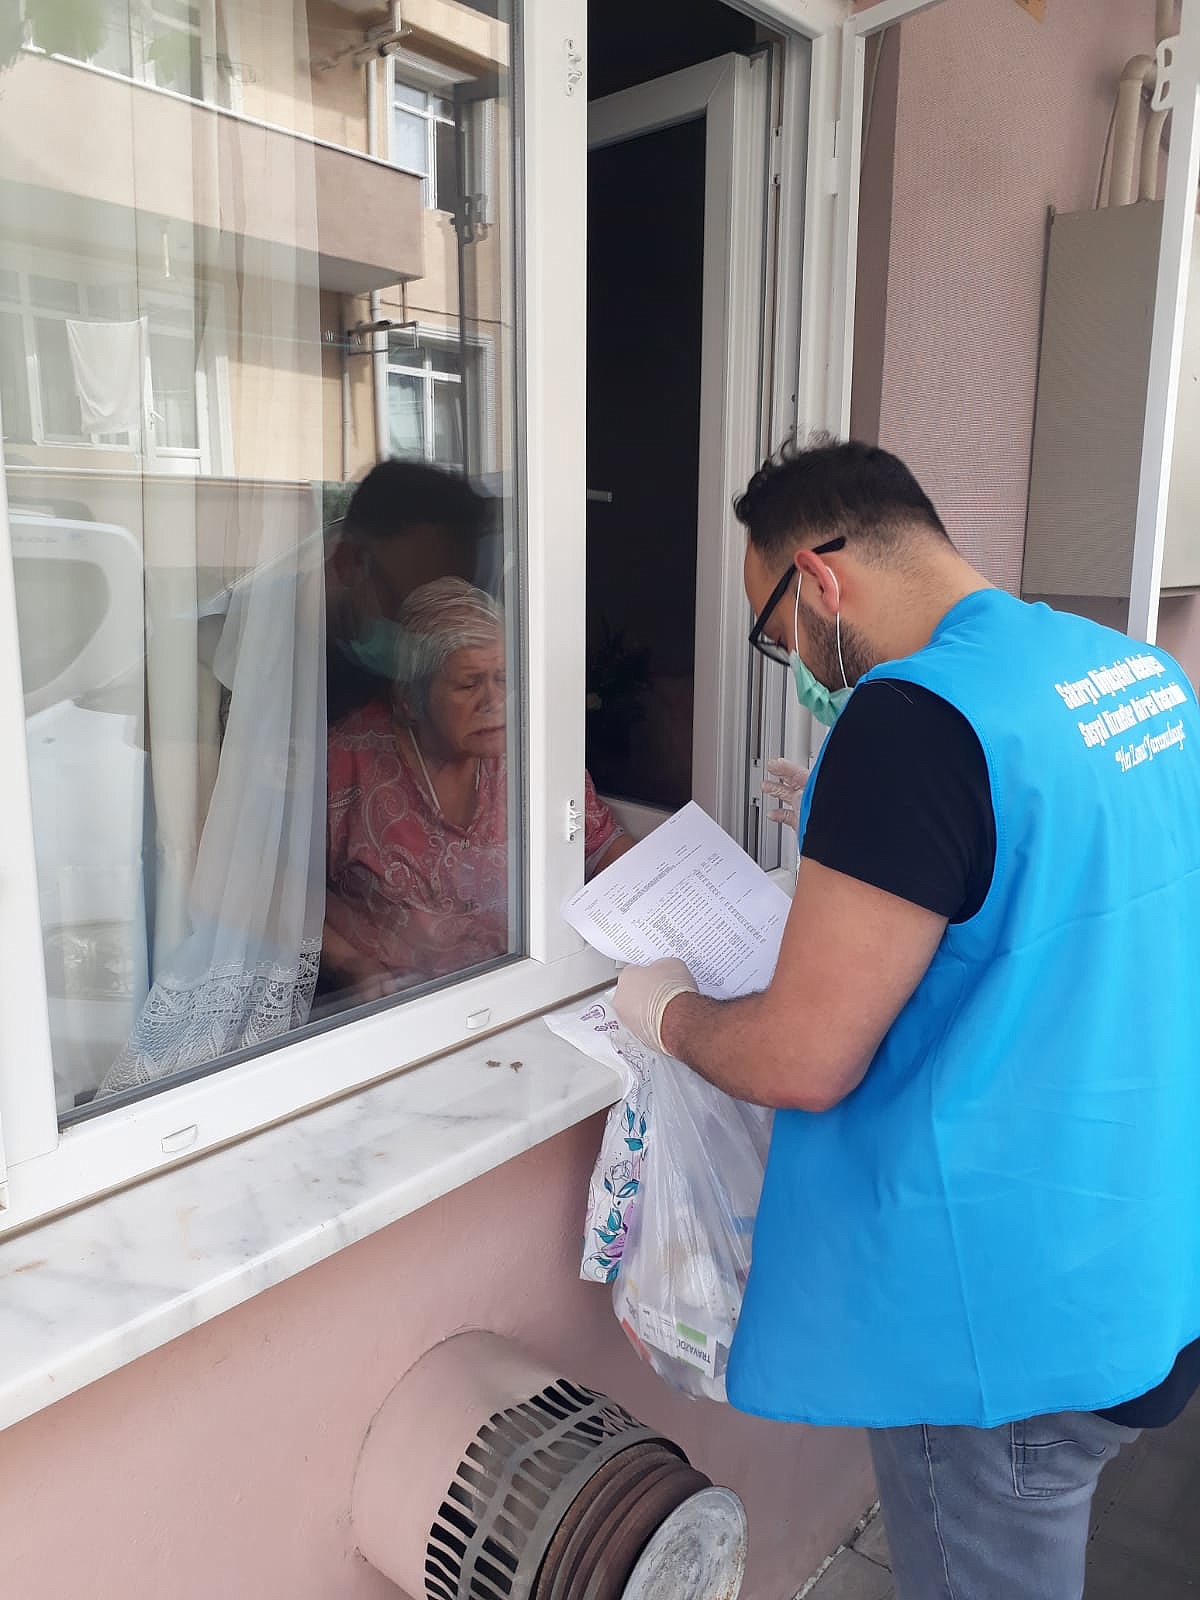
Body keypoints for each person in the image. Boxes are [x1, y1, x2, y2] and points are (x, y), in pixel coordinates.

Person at [612, 437, 1200, 1600]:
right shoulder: (1132, 673)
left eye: (777, 633)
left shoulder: (912, 723)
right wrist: (865, 822)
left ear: (818, 579)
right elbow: (1065, 877)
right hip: (1139, 1256)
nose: (796, 665)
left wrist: (667, 1011)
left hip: (1007, 1328)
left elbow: (803, 1058)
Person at [325, 578, 631, 997]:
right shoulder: (347, 761)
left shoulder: (529, 749)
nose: (494, 701)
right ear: (411, 697)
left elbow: (600, 845)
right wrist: (351, 964)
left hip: (527, 990)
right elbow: (279, 892)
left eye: (504, 679)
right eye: (470, 684)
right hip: (397, 1008)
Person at [326, 459, 496, 723]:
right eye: (408, 606)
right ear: (349, 562)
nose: (429, 632)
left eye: (448, 609)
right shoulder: (283, 670)